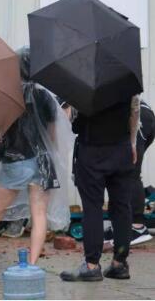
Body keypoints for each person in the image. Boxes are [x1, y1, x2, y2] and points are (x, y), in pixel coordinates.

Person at [0, 47, 71, 265]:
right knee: (39, 215)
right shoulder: (45, 96)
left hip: (17, 160)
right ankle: (32, 264)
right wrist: (54, 157)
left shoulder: (7, 95)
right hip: (44, 162)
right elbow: (52, 134)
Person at [60, 93, 140, 282]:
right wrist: (133, 143)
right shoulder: (126, 82)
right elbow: (135, 112)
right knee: (122, 206)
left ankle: (92, 265)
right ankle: (119, 263)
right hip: (122, 148)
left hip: (92, 150)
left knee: (92, 207)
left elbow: (68, 119)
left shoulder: (81, 84)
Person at [104, 100, 154, 246]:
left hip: (137, 116)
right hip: (129, 116)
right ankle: (119, 225)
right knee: (117, 174)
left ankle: (137, 227)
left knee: (131, 172)